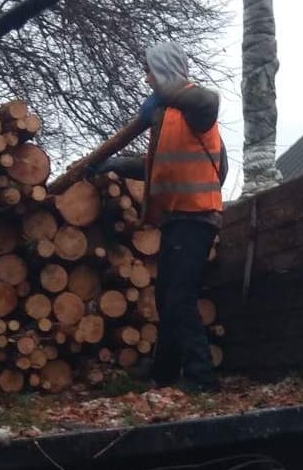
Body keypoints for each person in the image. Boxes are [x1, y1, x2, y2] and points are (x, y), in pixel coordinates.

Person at [97, 41, 227, 389]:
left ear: (165, 71)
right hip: (177, 217)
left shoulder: (194, 108)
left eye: (150, 71)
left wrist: (166, 95)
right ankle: (164, 373)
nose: (146, 79)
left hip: (196, 217)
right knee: (167, 295)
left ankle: (201, 377)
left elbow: (209, 100)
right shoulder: (168, 117)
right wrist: (113, 165)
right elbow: (154, 166)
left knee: (179, 295)